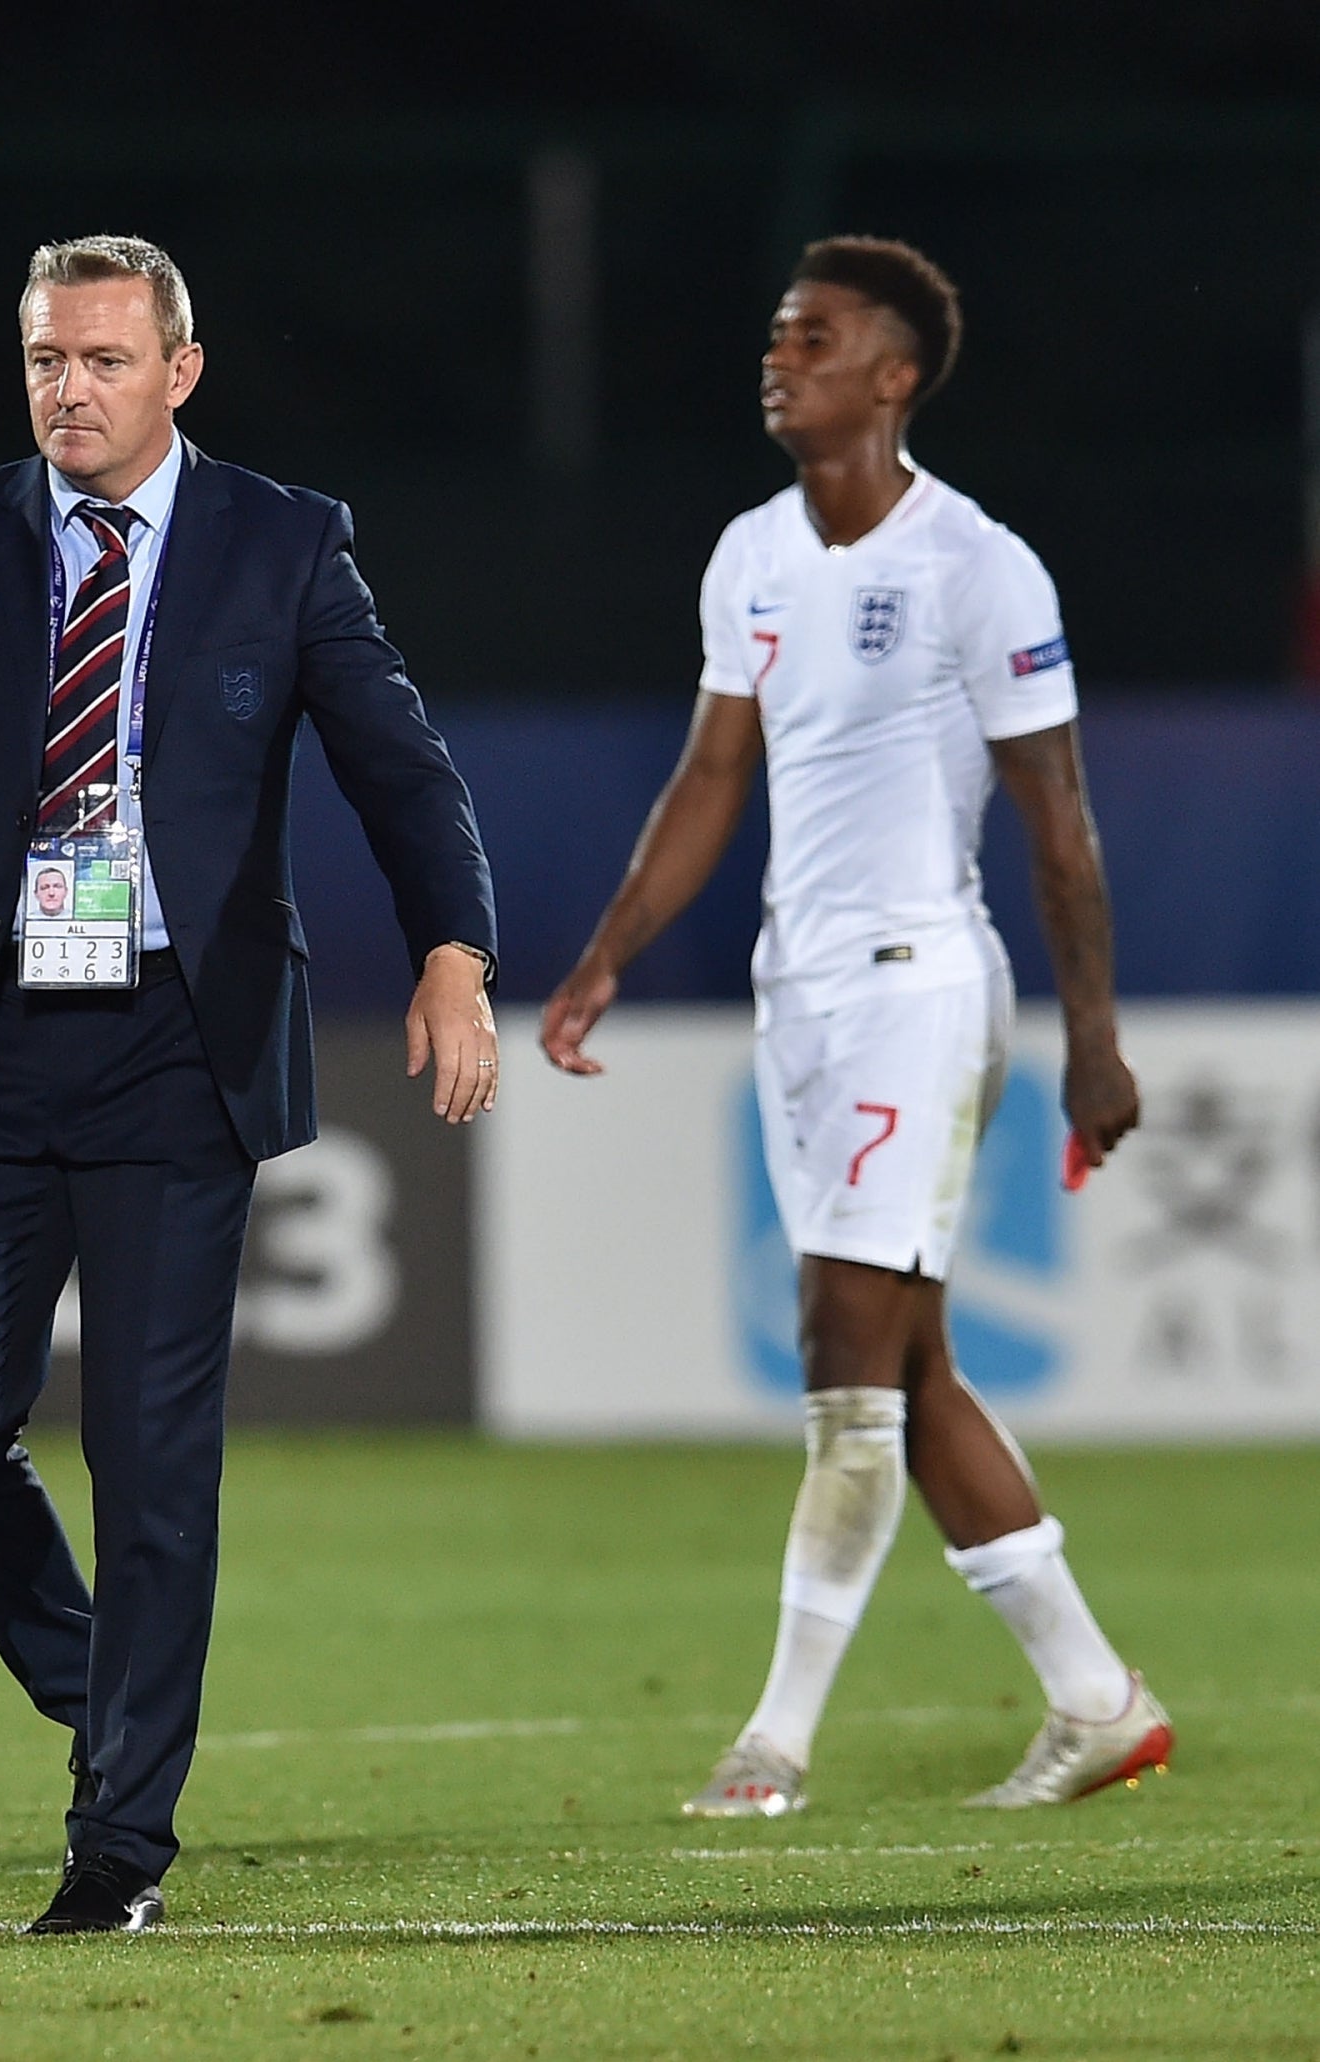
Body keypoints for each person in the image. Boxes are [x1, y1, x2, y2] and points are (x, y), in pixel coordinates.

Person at [0, 235, 498, 1931]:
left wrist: (455, 952)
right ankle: (109, 1685)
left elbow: (400, 767)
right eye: (48, 357)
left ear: (180, 371)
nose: (71, 390)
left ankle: (121, 1836)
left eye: (106, 360)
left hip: (181, 1039)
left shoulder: (284, 540)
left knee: (152, 1455)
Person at [540, 237, 1170, 1818]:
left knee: (843, 1349)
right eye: (777, 334)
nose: (780, 358)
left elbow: (1061, 823)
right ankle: (1098, 1698)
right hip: (801, 991)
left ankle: (774, 1744)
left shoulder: (978, 565)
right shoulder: (752, 552)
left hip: (918, 986)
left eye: (813, 338)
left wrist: (1094, 1039)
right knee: (916, 1361)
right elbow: (712, 775)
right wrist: (609, 953)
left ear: (893, 377)